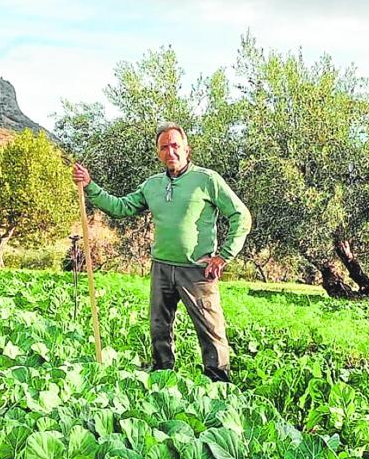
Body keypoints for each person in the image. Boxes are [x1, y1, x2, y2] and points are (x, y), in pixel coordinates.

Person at [71, 124, 252, 382]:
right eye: (164, 147)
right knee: (159, 328)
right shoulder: (152, 185)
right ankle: (162, 379)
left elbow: (241, 216)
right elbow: (120, 207)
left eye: (175, 145)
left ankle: (219, 384)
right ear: (158, 153)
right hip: (161, 268)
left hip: (197, 271)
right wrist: (90, 186)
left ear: (187, 149)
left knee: (211, 330)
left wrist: (223, 256)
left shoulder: (207, 180)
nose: (171, 152)